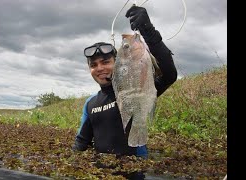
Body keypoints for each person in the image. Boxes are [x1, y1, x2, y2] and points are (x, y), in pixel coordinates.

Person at [72, 5, 177, 159]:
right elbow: (81, 142)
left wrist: (148, 31)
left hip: (136, 170)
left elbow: (169, 75)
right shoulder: (90, 103)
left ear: (118, 62)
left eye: (105, 62)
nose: (99, 68)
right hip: (100, 173)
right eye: (93, 65)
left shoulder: (135, 88)